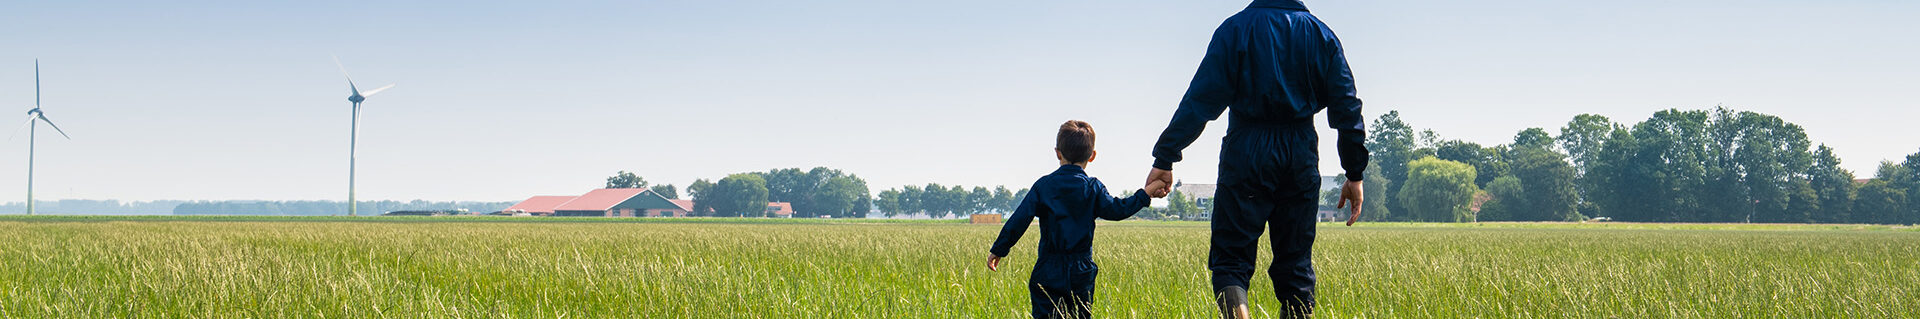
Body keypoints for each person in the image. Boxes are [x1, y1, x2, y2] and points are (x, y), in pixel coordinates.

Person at [1140, 0, 1369, 318]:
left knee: (1230, 261)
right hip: (1299, 150)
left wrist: (1166, 156)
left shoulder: (1234, 29)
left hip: (1246, 147)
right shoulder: (1321, 35)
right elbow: (1347, 105)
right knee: (1296, 268)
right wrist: (1354, 171)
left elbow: (1200, 99)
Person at [987, 120, 1163, 319]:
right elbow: (1117, 210)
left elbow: (1020, 219)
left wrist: (999, 249)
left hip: (1048, 268)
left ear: (1057, 152)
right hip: (1081, 270)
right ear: (1092, 155)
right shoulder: (1093, 187)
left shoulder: (1043, 186)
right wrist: (1146, 193)